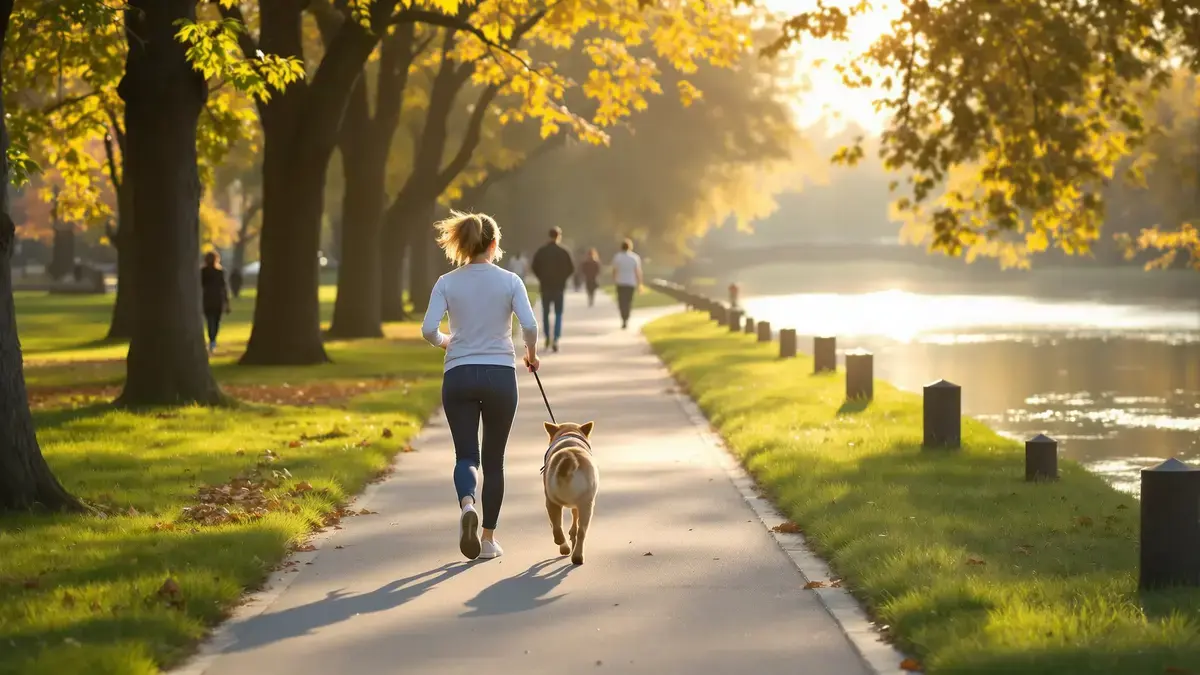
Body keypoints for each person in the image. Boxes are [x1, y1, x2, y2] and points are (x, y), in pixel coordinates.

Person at [421, 210, 539, 561]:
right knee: (494, 460)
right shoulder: (510, 281)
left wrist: (446, 342)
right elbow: (530, 325)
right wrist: (531, 355)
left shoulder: (446, 282)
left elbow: (428, 330)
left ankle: (467, 505)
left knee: (466, 456)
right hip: (499, 374)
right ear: (494, 243)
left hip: (459, 374)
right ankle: (487, 540)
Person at [531, 226, 574, 352]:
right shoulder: (564, 252)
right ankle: (556, 338)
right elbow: (571, 268)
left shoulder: (541, 251)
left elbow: (534, 266)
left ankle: (547, 337)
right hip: (559, 286)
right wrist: (563, 278)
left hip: (545, 286)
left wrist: (541, 277)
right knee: (558, 313)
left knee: (546, 312)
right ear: (559, 236)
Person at [201, 252, 232, 354]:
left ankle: (212, 340)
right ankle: (213, 340)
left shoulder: (202, 272)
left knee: (210, 321)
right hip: (217, 300)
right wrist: (227, 302)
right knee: (216, 321)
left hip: (206, 300)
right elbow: (224, 288)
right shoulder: (219, 272)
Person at [611, 238, 643, 329]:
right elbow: (638, 271)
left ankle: (623, 317)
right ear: (630, 247)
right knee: (628, 301)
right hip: (631, 283)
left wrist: (614, 279)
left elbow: (615, 270)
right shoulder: (635, 257)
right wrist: (640, 283)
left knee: (621, 301)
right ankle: (626, 317)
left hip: (621, 282)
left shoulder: (617, 257)